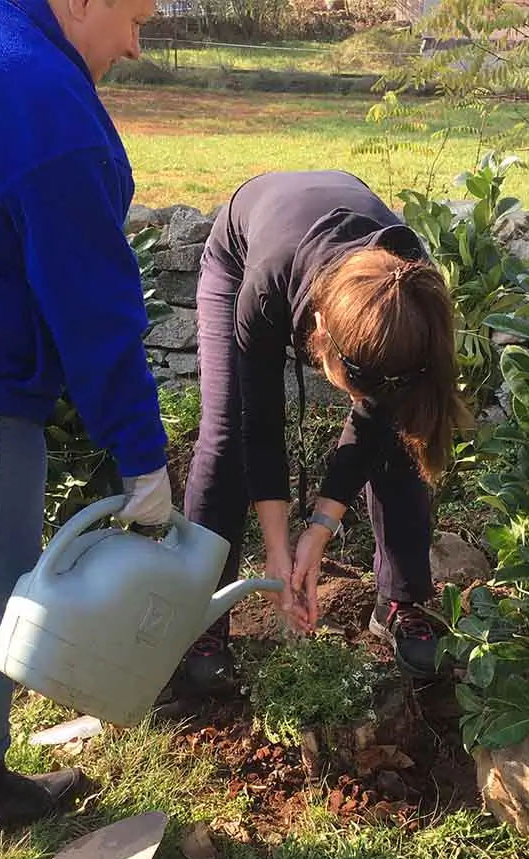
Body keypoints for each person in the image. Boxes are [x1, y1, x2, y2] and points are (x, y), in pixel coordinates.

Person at [0, 0, 173, 844]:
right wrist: (142, 456)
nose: (136, 45)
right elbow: (93, 308)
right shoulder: (41, 96)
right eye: (135, 18)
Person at [173, 169, 473, 696]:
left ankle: (400, 600)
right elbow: (258, 425)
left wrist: (318, 529)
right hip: (244, 249)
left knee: (401, 433)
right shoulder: (266, 287)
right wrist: (277, 549)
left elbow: (376, 417)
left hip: (349, 255)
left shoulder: (409, 295)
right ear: (319, 336)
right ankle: (202, 617)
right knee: (223, 439)